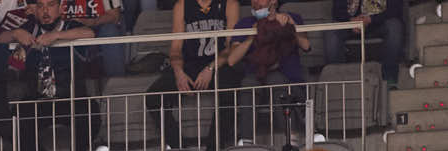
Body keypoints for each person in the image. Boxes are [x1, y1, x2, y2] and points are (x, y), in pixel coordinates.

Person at [0, 0, 96, 151]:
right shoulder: (30, 28)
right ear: (35, 10)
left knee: (91, 113)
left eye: (50, 5)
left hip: (70, 98)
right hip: (38, 101)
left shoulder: (70, 26)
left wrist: (56, 36)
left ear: (60, 7)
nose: (45, 11)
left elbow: (90, 33)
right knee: (16, 119)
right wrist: (15, 33)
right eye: (41, 6)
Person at [144, 0, 240, 141]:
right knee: (153, 97)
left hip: (218, 63)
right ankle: (179, 148)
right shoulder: (182, 6)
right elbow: (175, 49)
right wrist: (179, 72)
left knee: (230, 91)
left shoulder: (229, 4)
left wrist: (211, 67)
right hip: (190, 64)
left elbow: (231, 47)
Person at [227, 0, 311, 140]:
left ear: (273, 1)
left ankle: (291, 139)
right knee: (248, 85)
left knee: (276, 80)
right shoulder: (244, 23)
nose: (255, 2)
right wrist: (252, 34)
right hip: (255, 75)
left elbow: (306, 45)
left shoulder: (292, 17)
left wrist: (291, 23)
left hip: (287, 77)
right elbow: (231, 60)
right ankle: (246, 141)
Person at [324, 0, 404, 85]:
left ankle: (389, 80)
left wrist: (370, 19)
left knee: (395, 27)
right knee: (332, 31)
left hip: (379, 22)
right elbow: (337, 11)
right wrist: (351, 21)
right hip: (352, 24)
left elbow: (395, 10)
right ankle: (337, 82)